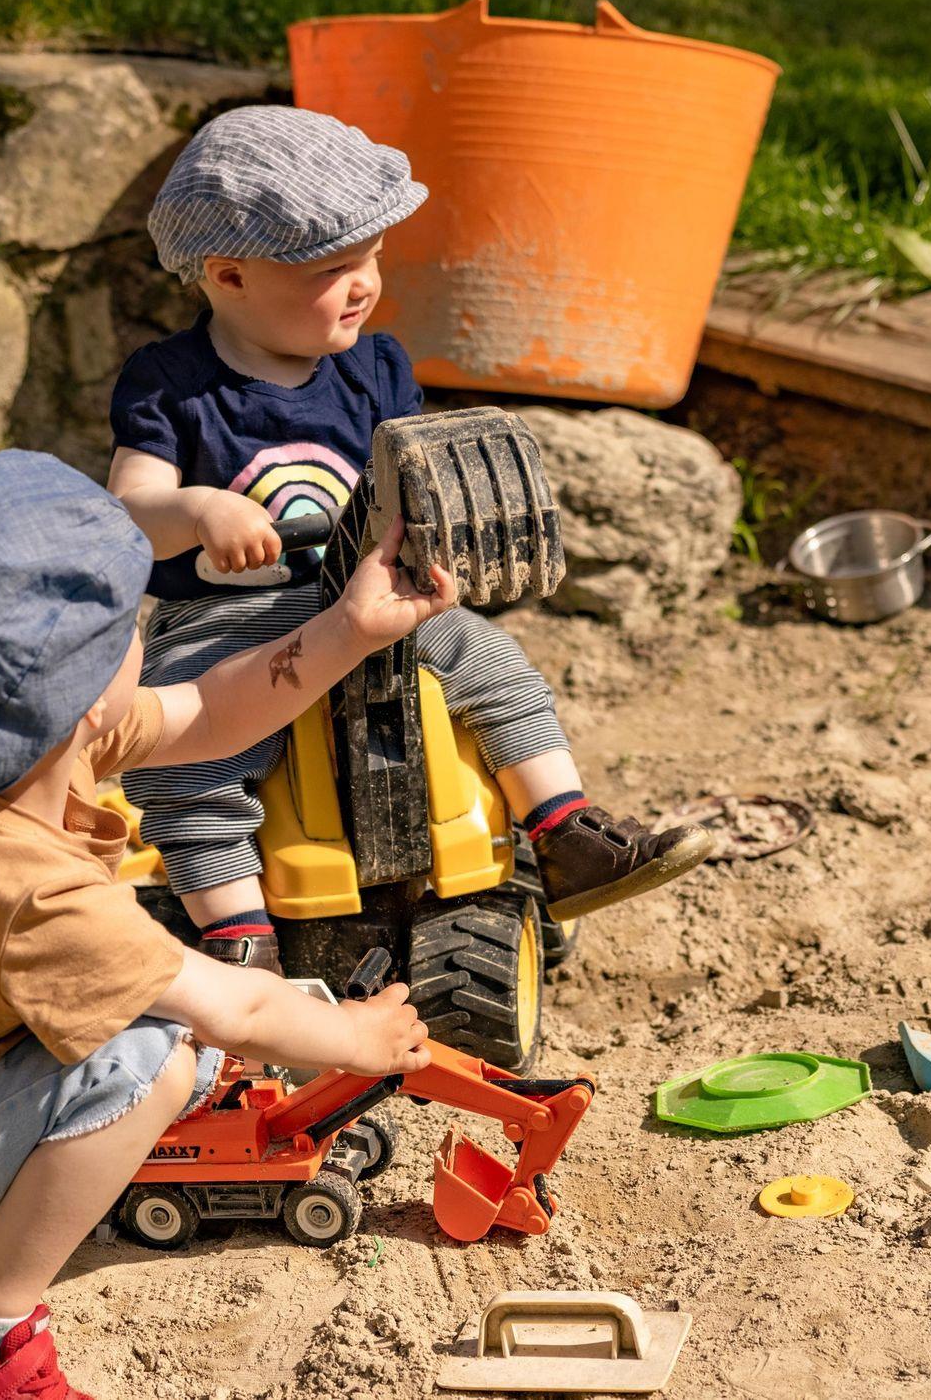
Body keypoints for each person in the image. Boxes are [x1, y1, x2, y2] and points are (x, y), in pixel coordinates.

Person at [0, 449, 454, 1400]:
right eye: (133, 623)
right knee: (156, 1056)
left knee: (164, 1034)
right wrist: (356, 1037)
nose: (145, 630)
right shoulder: (32, 888)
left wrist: (349, 630)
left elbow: (213, 707)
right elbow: (238, 1009)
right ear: (87, 700)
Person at [108, 106, 713, 976]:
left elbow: (413, 479)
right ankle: (237, 938)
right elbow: (128, 508)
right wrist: (199, 510)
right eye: (334, 269)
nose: (364, 284)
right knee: (175, 757)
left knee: (495, 665)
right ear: (229, 275)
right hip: (224, 621)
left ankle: (564, 833)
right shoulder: (171, 385)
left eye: (373, 258)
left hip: (375, 600)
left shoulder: (375, 367)